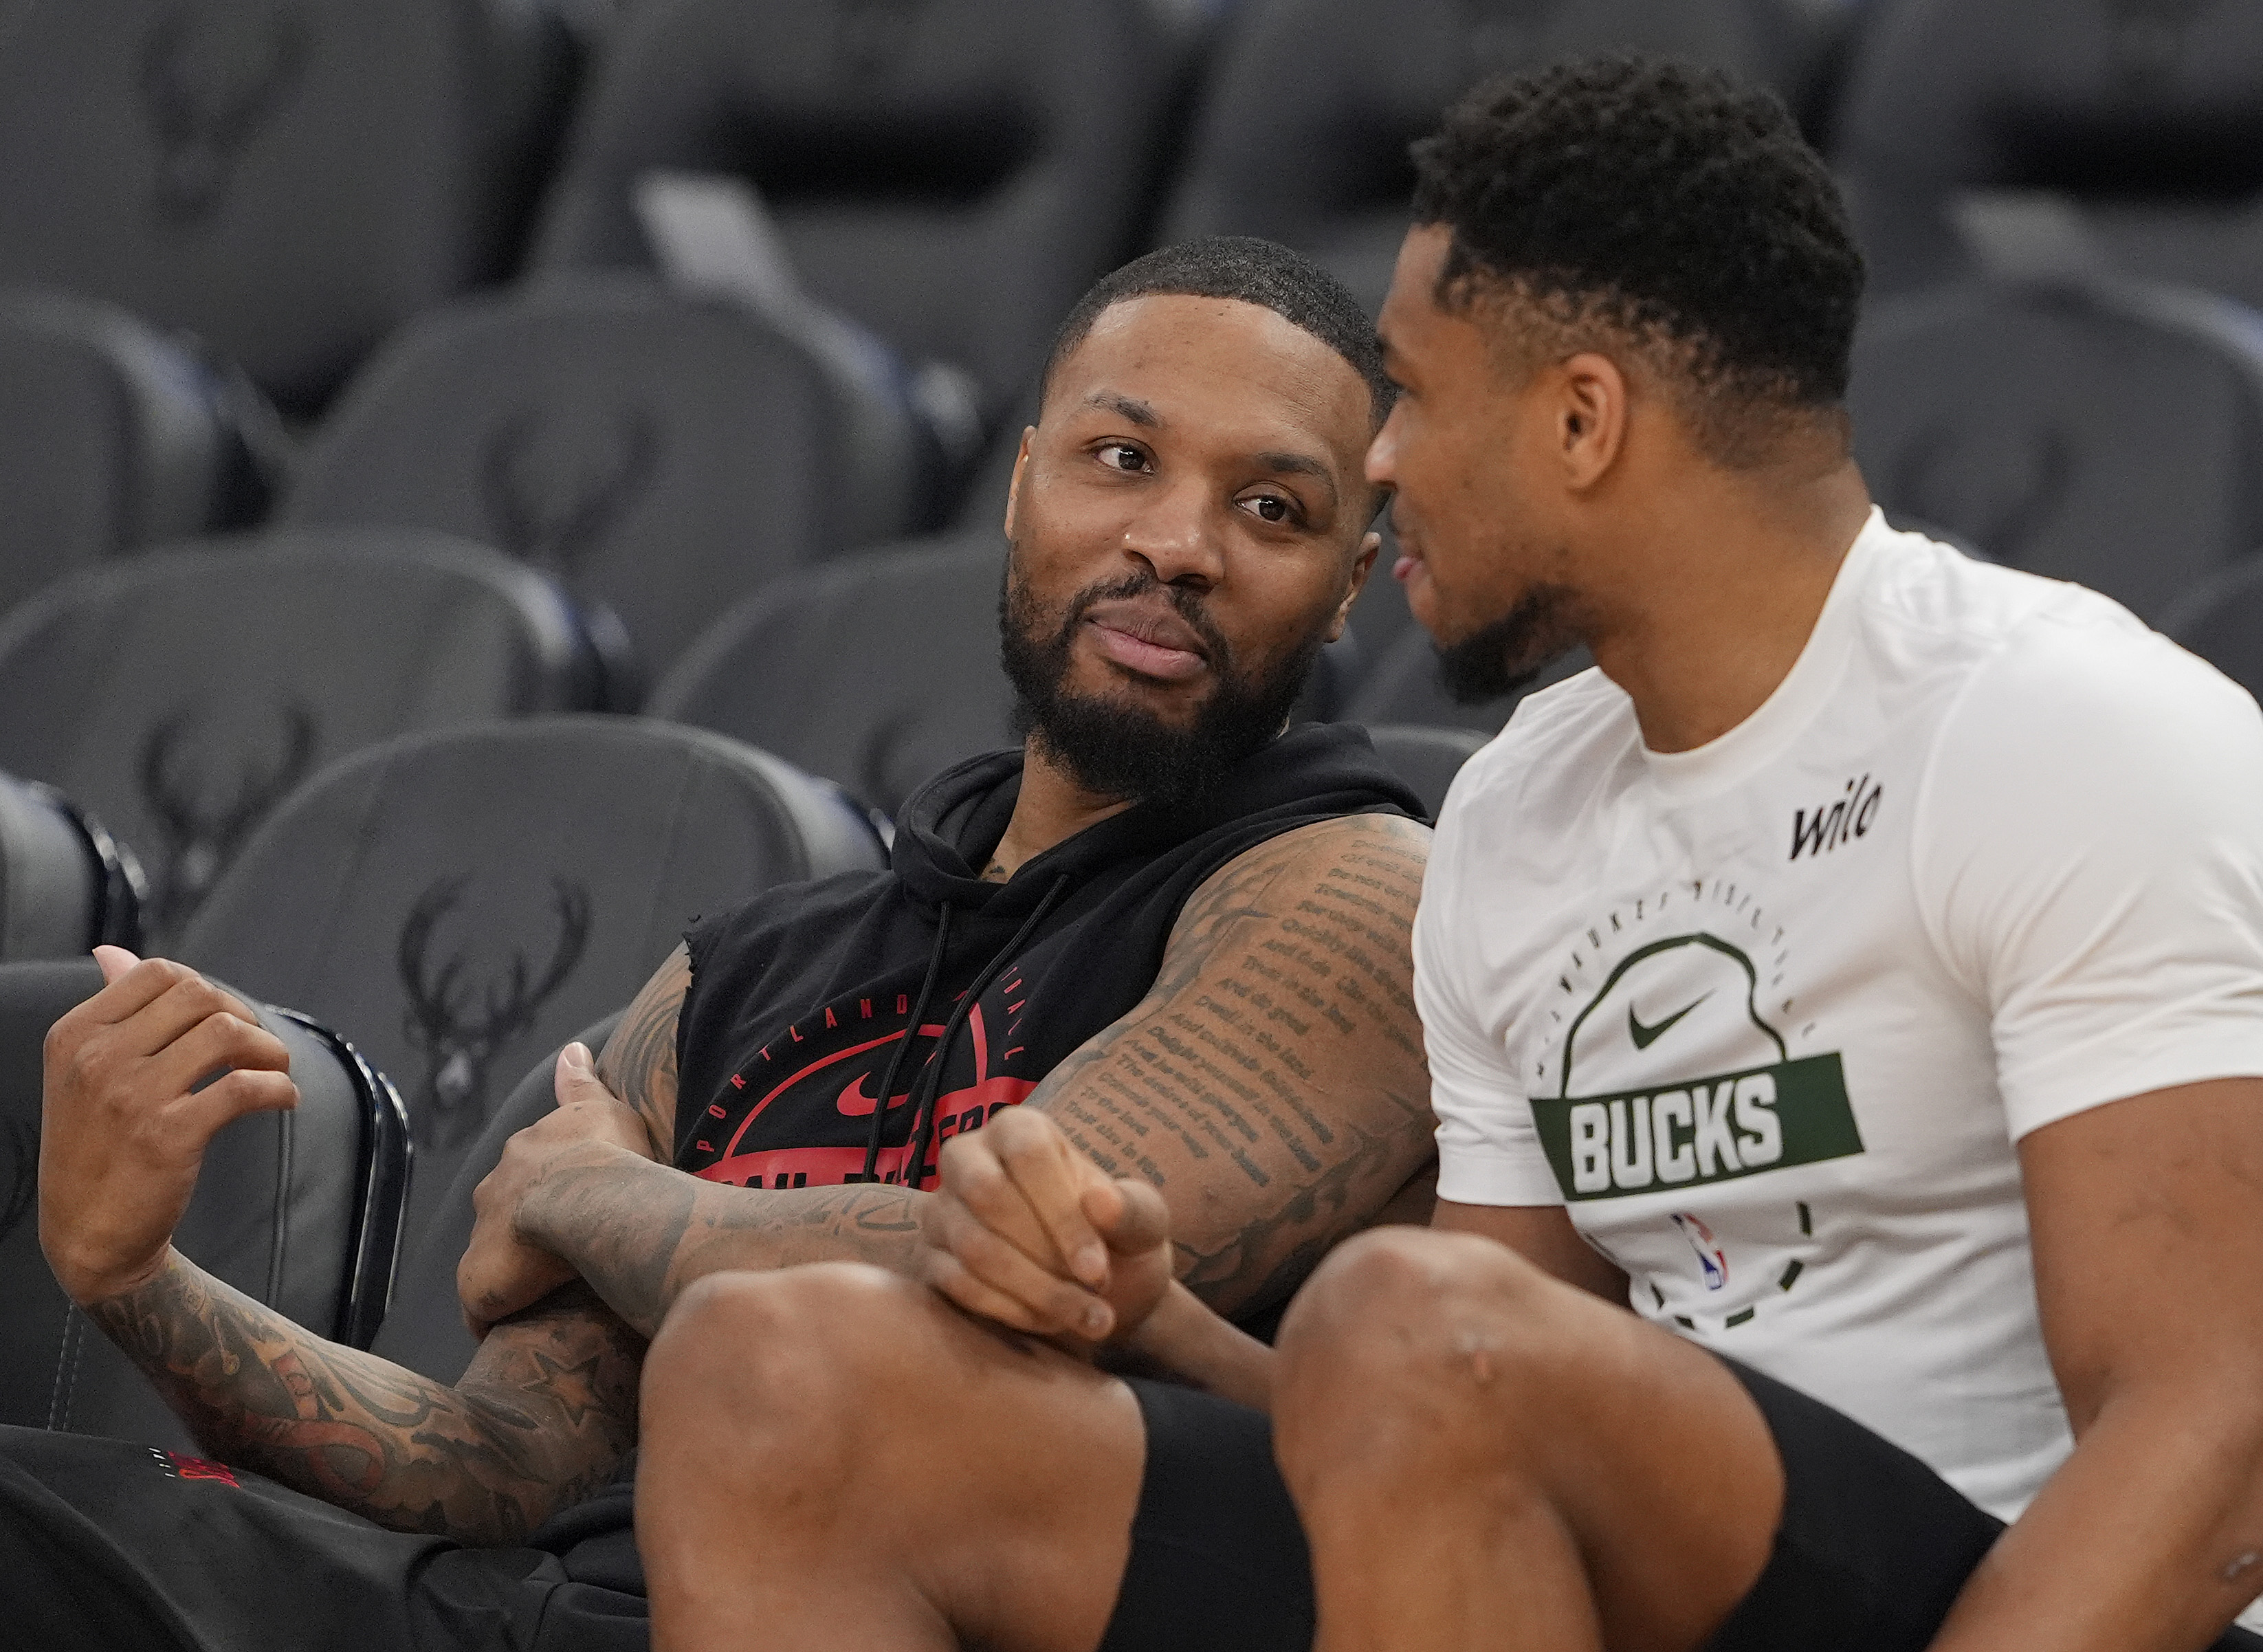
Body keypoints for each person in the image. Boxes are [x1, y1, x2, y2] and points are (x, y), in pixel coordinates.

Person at [630, 56, 2263, 1652]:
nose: (1379, 465)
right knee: (781, 1376)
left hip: (2111, 1600)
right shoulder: (1521, 805)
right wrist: (1148, 1314)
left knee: (1410, 1315)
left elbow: (2219, 1456)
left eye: (1406, 394)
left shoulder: (2058, 722)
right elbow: (1447, 1408)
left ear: (1578, 422)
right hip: (1674, 1567)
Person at [8, 235, 1439, 1651]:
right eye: (1122, 459)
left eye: (1266, 508)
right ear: (1021, 485)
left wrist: (591, 1199)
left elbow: (1003, 1275)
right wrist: (143, 1279)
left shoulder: (1345, 894)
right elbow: (502, 1462)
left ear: (1348, 581)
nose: (1176, 545)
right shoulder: (747, 964)